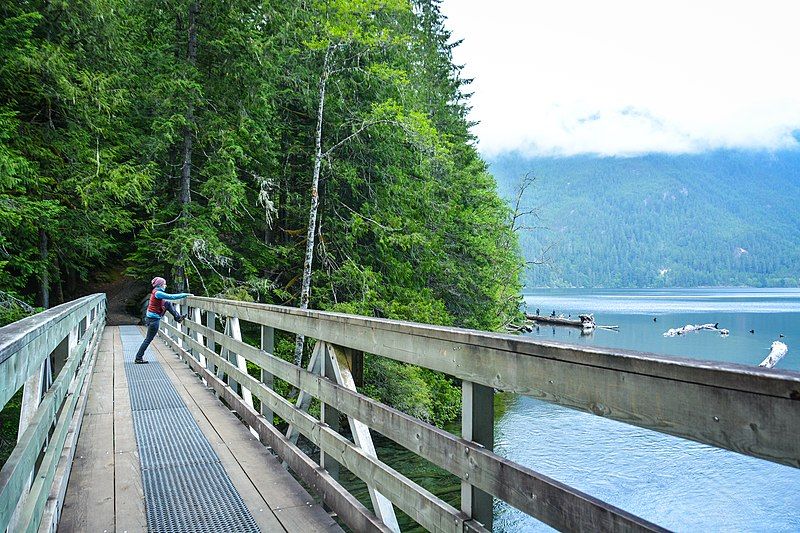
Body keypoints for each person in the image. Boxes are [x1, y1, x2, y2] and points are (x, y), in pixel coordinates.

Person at [134, 277, 192, 364]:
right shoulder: (158, 293)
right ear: (160, 285)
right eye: (164, 284)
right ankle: (138, 358)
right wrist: (185, 294)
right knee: (148, 339)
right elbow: (171, 297)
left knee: (167, 303)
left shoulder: (155, 291)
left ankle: (178, 317)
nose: (165, 285)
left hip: (151, 318)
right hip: (154, 320)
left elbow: (166, 302)